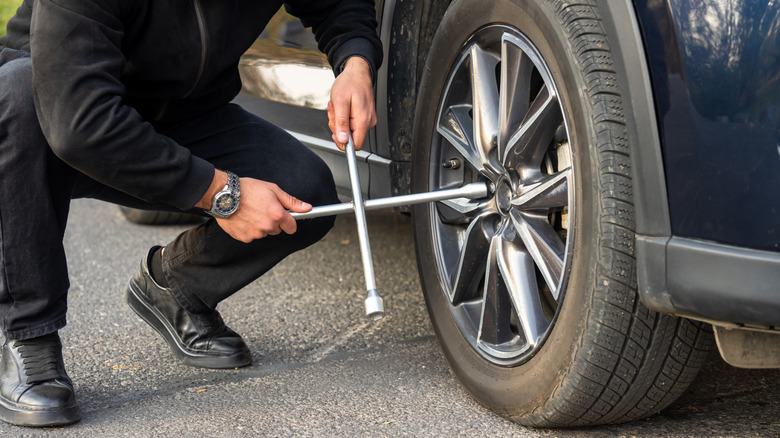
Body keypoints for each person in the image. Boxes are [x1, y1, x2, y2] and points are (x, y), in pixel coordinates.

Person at [0, 0, 382, 428]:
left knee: (306, 194)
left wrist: (355, 61)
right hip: (61, 118)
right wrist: (226, 195)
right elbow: (79, 125)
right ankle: (29, 334)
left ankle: (177, 288)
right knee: (15, 91)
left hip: (186, 117)